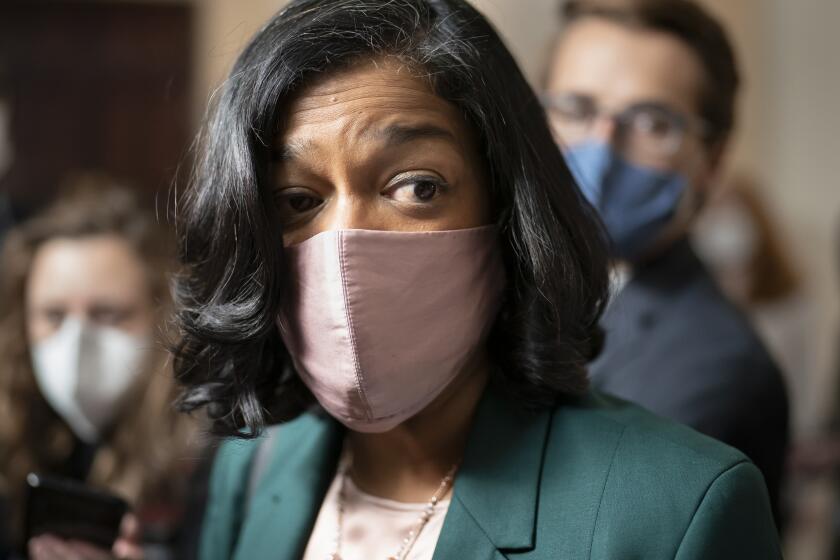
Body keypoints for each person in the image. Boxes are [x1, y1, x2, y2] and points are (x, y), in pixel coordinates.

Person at [173, 1, 781, 558]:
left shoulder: (679, 508)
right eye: (298, 199)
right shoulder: (253, 466)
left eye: (417, 187)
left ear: (506, 208)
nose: (346, 246)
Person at [543, 0, 789, 525]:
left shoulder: (715, 367)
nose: (602, 147)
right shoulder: (504, 284)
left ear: (713, 160)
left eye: (652, 122)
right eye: (575, 107)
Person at [0, 177, 205, 559]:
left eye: (108, 314)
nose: (76, 344)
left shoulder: (208, 467)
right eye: (54, 315)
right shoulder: (15, 442)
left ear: (164, 317)